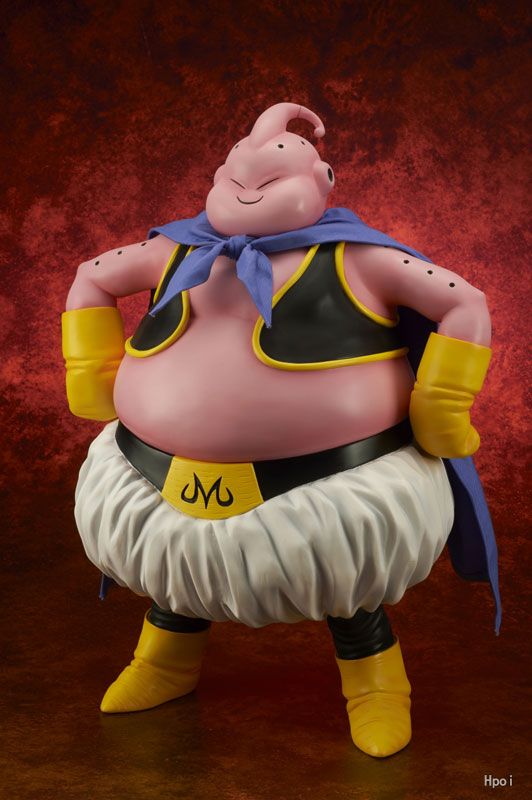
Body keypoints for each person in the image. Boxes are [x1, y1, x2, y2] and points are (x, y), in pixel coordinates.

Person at [62, 102, 498, 758]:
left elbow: (463, 302)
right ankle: (163, 662)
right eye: (238, 173)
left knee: (346, 587)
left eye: (272, 173)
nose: (249, 187)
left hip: (329, 480)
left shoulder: (362, 258)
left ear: (322, 181)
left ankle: (376, 687)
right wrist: (92, 375)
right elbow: (92, 278)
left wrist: (443, 405)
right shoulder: (176, 249)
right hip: (152, 472)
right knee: (178, 577)